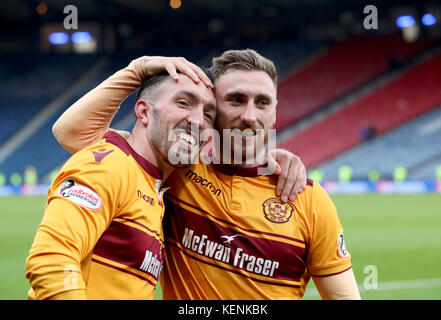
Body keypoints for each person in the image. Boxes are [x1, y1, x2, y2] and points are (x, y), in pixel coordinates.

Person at [53, 50, 360, 299]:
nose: (250, 116)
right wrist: (137, 70)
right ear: (212, 109)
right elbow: (72, 134)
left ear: (275, 111)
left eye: (262, 102)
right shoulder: (175, 171)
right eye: (236, 100)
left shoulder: (308, 199)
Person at [25, 57, 218, 299]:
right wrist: (137, 69)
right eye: (183, 103)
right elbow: (52, 259)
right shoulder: (108, 166)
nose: (198, 121)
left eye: (209, 115)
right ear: (144, 111)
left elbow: (69, 131)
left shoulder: (152, 180)